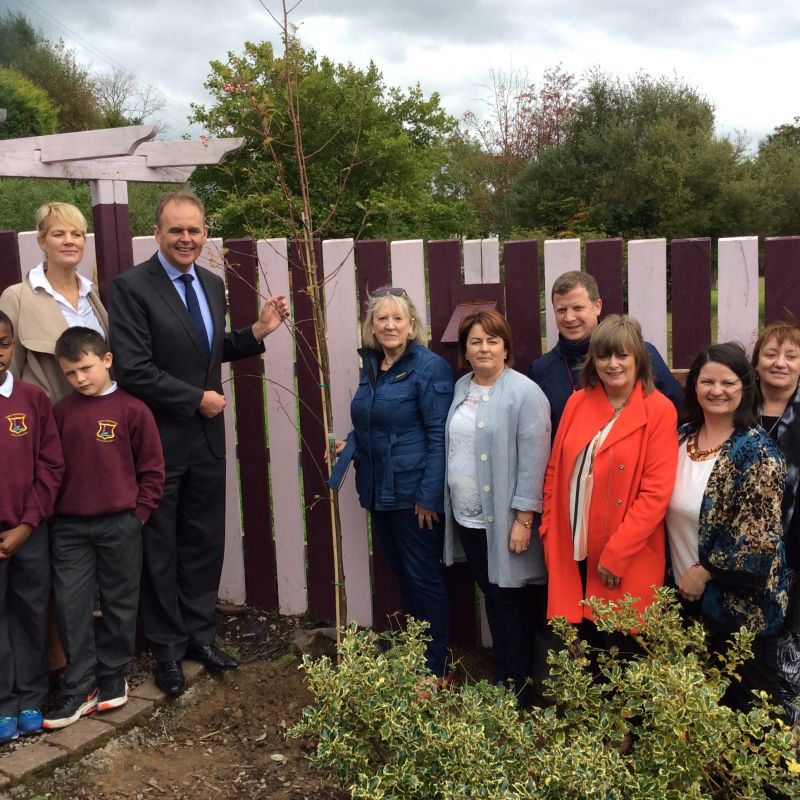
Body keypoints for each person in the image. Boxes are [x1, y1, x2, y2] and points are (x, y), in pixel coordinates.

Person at [108, 190, 289, 697]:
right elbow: (133, 368)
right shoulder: (130, 288)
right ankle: (166, 649)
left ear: (205, 233)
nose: (186, 238)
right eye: (176, 230)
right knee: (160, 548)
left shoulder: (210, 284)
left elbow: (204, 351)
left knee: (204, 542)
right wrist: (195, 400)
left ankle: (199, 637)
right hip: (159, 442)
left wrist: (257, 331)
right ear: (157, 233)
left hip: (206, 442)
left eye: (194, 230)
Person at [43, 327, 164, 730]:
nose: (79, 379)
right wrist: (54, 516)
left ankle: (112, 673)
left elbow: (152, 469)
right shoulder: (61, 413)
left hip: (120, 524)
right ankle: (78, 685)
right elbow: (51, 467)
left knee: (120, 599)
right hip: (69, 528)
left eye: (86, 368)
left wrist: (138, 515)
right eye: (70, 373)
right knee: (71, 604)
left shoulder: (133, 410)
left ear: (107, 360)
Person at [333, 287, 453, 677]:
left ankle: (437, 668)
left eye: (397, 318)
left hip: (413, 495)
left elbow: (439, 436)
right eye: (381, 318)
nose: (389, 325)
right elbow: (376, 423)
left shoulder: (429, 368)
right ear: (371, 325)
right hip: (378, 489)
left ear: (411, 324)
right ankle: (418, 654)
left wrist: (429, 496)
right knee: (402, 572)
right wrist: (351, 443)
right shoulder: (373, 365)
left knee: (423, 576)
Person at [540, 315, 678, 646]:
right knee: (576, 650)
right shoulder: (577, 402)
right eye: (604, 356)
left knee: (620, 651)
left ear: (638, 359)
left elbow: (655, 495)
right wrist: (549, 529)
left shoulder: (659, 410)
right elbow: (555, 470)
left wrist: (616, 555)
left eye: (622, 355)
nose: (612, 364)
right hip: (572, 550)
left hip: (625, 555)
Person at [666, 342, 789, 714]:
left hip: (742, 616)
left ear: (745, 387)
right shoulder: (680, 438)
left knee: (750, 719)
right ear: (694, 386)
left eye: (728, 382)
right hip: (686, 603)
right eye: (707, 381)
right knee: (697, 716)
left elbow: (759, 537)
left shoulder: (757, 452)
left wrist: (704, 572)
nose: (717, 390)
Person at [443, 310, 551, 702]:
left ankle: (519, 687)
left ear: (506, 348)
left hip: (506, 521)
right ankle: (502, 673)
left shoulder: (525, 393)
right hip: (469, 518)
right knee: (492, 593)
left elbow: (535, 460)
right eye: (475, 341)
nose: (484, 348)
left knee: (511, 599)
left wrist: (523, 518)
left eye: (492, 340)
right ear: (465, 351)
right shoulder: (462, 387)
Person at [0, 310, 64, 742]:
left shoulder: (32, 399)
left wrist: (26, 524)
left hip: (30, 532)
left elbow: (50, 466)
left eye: (4, 343)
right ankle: (3, 703)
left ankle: (30, 698)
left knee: (31, 612)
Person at [528, 271, 682, 433]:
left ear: (597, 306)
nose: (569, 317)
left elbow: (677, 413)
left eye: (578, 308)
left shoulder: (640, 354)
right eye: (561, 310)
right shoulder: (541, 371)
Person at [0, 202, 108, 404]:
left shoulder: (91, 293)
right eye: (58, 234)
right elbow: (7, 372)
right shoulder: (17, 298)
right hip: (46, 417)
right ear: (42, 241)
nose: (69, 241)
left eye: (76, 234)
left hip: (100, 416)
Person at [751, 325, 800, 721]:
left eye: (791, 356)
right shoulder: (737, 408)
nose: (780, 363)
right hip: (745, 561)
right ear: (756, 362)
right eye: (770, 354)